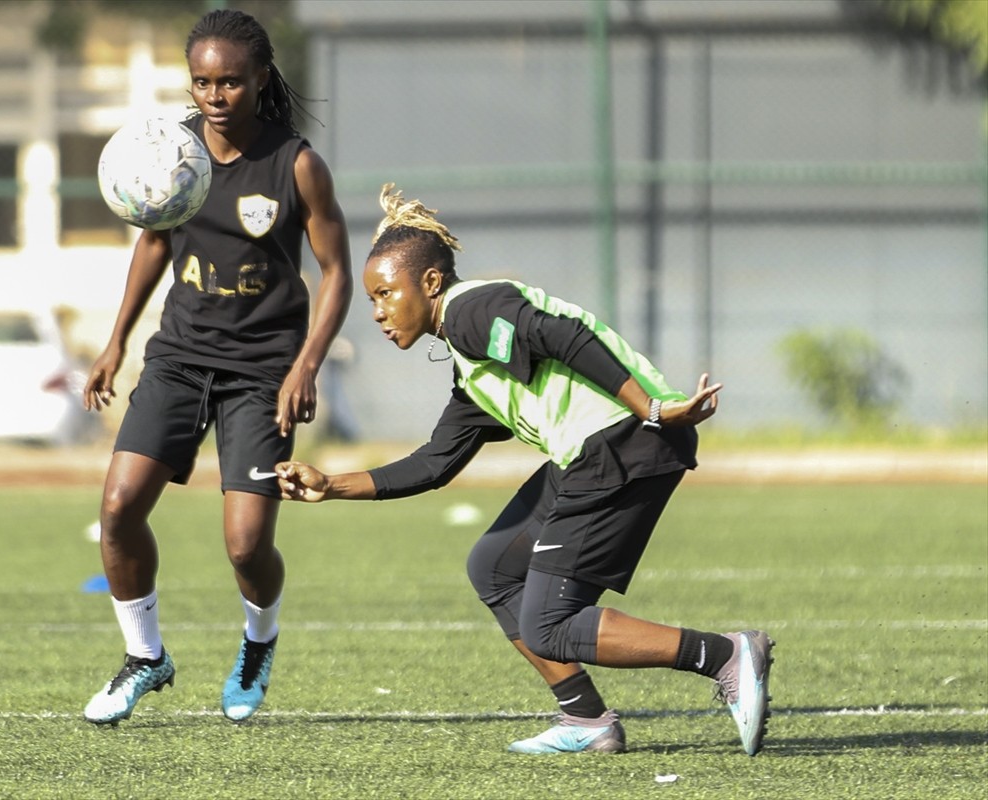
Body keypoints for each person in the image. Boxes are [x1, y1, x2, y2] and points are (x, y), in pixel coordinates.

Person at [276, 185, 773, 756]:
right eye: (373, 299)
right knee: (493, 567)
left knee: (550, 625)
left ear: (431, 284)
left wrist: (651, 408)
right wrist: (330, 486)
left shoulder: (471, 312)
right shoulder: (471, 359)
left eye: (386, 293)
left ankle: (726, 655)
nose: (379, 312)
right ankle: (587, 720)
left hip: (625, 443)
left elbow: (563, 336)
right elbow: (435, 463)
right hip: (595, 450)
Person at [81, 9, 352, 726]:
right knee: (117, 508)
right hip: (179, 358)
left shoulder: (296, 164)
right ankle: (146, 657)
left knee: (246, 544)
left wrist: (305, 366)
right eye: (202, 81)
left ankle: (258, 640)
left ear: (261, 78)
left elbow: (337, 273)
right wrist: (116, 342)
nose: (214, 94)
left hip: (263, 371)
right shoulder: (175, 154)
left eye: (230, 80)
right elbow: (150, 244)